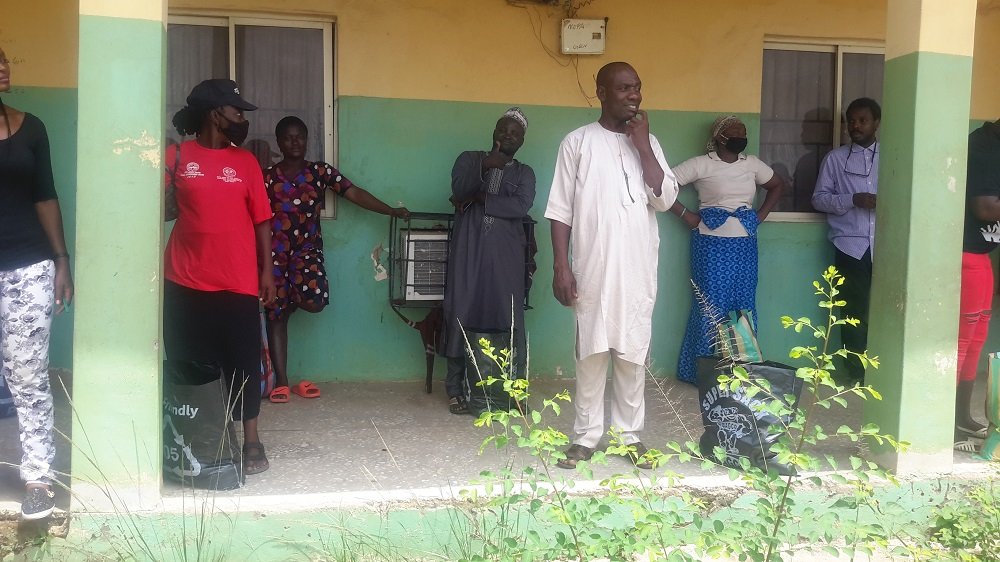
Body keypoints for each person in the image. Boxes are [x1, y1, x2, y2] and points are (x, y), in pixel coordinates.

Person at [545, 62, 678, 469]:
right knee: (591, 351)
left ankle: (628, 437)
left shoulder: (649, 144)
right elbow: (560, 210)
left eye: (637, 87)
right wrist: (561, 266)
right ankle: (585, 437)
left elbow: (665, 199)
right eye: (623, 88)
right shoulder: (577, 142)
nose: (633, 95)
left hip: (637, 268)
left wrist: (643, 147)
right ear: (601, 93)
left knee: (632, 352)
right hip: (593, 266)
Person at [163, 79, 275, 476]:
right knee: (193, 362)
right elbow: (151, 208)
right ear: (215, 114)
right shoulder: (176, 156)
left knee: (243, 361)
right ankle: (206, 438)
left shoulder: (245, 163)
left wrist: (267, 271)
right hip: (184, 280)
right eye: (236, 110)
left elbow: (262, 219)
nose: (242, 118)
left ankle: (251, 439)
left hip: (238, 280)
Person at [263, 116, 409, 403]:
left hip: (307, 252)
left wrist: (390, 210)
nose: (295, 142)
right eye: (288, 138)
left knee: (315, 301)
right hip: (274, 255)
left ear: (307, 140)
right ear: (278, 142)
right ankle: (281, 382)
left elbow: (353, 192)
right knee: (275, 316)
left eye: (300, 137)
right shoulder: (266, 176)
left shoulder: (319, 171)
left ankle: (288, 303)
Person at [0, 46, 73, 520]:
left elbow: (45, 195)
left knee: (27, 376)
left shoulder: (31, 128)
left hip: (27, 266)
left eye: (4, 58)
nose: (3, 67)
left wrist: (61, 259)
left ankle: (39, 479)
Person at [671, 115, 784, 383]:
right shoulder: (702, 164)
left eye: (743, 133)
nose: (740, 138)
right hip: (710, 244)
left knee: (742, 304)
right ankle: (702, 374)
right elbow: (660, 186)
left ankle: (739, 371)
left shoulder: (752, 164)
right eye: (734, 133)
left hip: (745, 244)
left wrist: (760, 216)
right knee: (710, 306)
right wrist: (687, 216)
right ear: (719, 137)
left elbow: (778, 185)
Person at [443, 108, 535, 415]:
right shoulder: (469, 159)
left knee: (509, 318)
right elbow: (459, 189)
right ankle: (455, 389)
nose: (507, 136)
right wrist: (485, 166)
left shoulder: (524, 173)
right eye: (503, 130)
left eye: (515, 133)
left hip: (505, 257)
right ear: (493, 131)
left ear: (522, 141)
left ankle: (515, 391)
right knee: (461, 311)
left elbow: (520, 207)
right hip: (468, 251)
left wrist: (481, 198)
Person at [811, 97, 881, 382]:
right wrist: (852, 199)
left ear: (876, 123)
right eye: (851, 121)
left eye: (863, 120)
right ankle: (856, 373)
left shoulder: (892, 157)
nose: (856, 126)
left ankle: (884, 371)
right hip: (851, 247)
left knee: (888, 310)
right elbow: (819, 199)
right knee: (853, 312)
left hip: (887, 246)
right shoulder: (835, 159)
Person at [954, 118, 1000, 452]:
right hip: (965, 254)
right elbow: (985, 207)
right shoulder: (983, 147)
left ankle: (961, 417)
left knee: (976, 339)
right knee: (961, 341)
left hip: (982, 255)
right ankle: (946, 423)